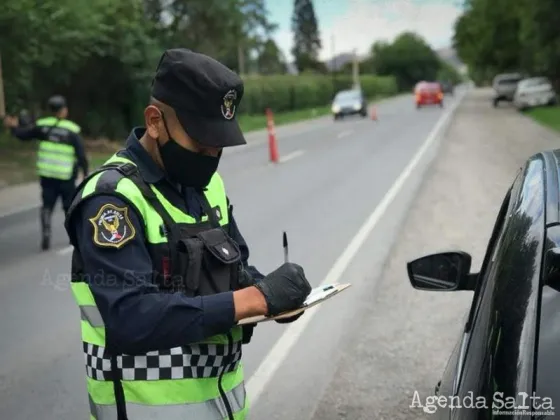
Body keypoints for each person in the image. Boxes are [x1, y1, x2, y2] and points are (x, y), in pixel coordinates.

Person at [64, 48, 312, 420]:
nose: (211, 153)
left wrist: (277, 296)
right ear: (154, 121)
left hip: (223, 406)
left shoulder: (207, 187)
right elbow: (132, 318)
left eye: (219, 143)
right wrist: (255, 300)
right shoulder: (112, 201)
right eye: (199, 142)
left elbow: (238, 271)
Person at [3, 95, 89, 250]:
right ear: (64, 110)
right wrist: (85, 172)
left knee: (47, 206)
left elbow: (24, 135)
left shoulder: (42, 126)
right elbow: (81, 154)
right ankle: (73, 236)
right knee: (68, 207)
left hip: (47, 175)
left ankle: (46, 232)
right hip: (65, 176)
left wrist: (13, 127)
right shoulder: (72, 130)